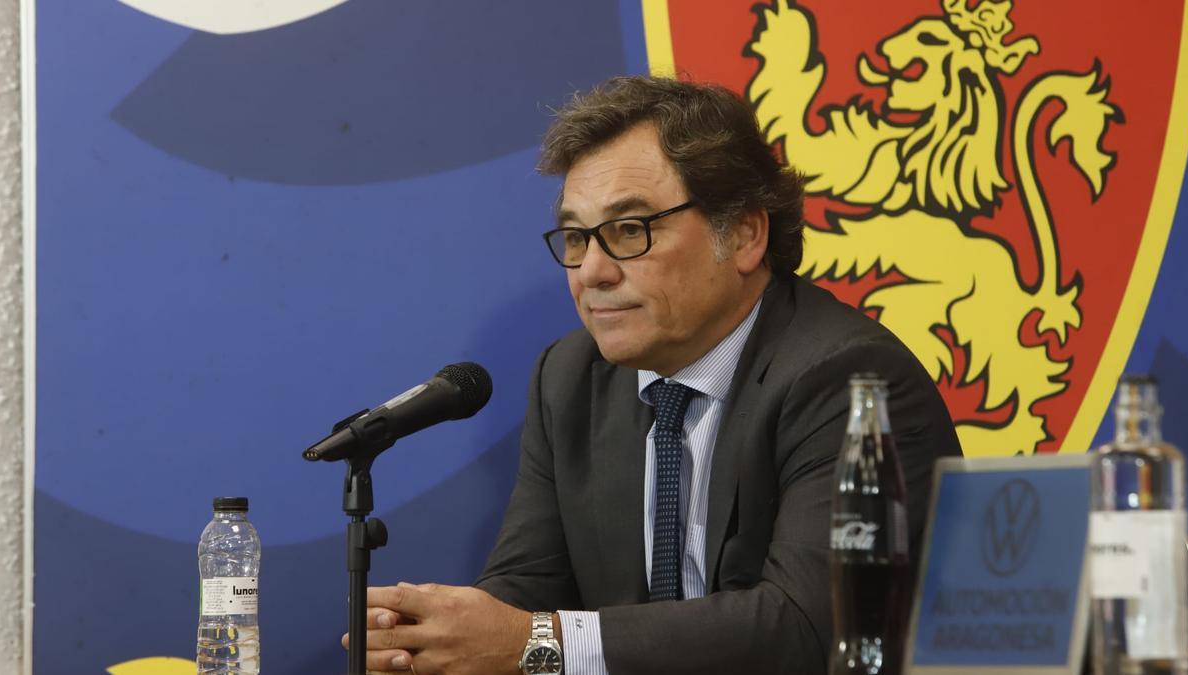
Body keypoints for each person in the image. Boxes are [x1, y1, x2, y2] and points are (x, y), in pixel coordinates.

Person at [342, 75, 962, 675]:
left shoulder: (844, 377)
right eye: (578, 237)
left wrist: (534, 642)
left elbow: (809, 628)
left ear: (744, 234)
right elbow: (529, 586)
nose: (592, 272)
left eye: (629, 230)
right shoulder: (570, 377)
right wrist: (434, 640)